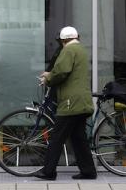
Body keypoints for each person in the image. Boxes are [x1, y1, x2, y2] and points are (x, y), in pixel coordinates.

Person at [34, 26, 97, 181]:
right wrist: (51, 75)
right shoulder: (81, 49)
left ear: (62, 40)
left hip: (71, 103)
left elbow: (62, 71)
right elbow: (68, 71)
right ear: (77, 37)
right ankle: (88, 171)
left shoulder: (68, 51)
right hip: (82, 101)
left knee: (57, 137)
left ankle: (48, 172)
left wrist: (48, 78)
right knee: (78, 138)